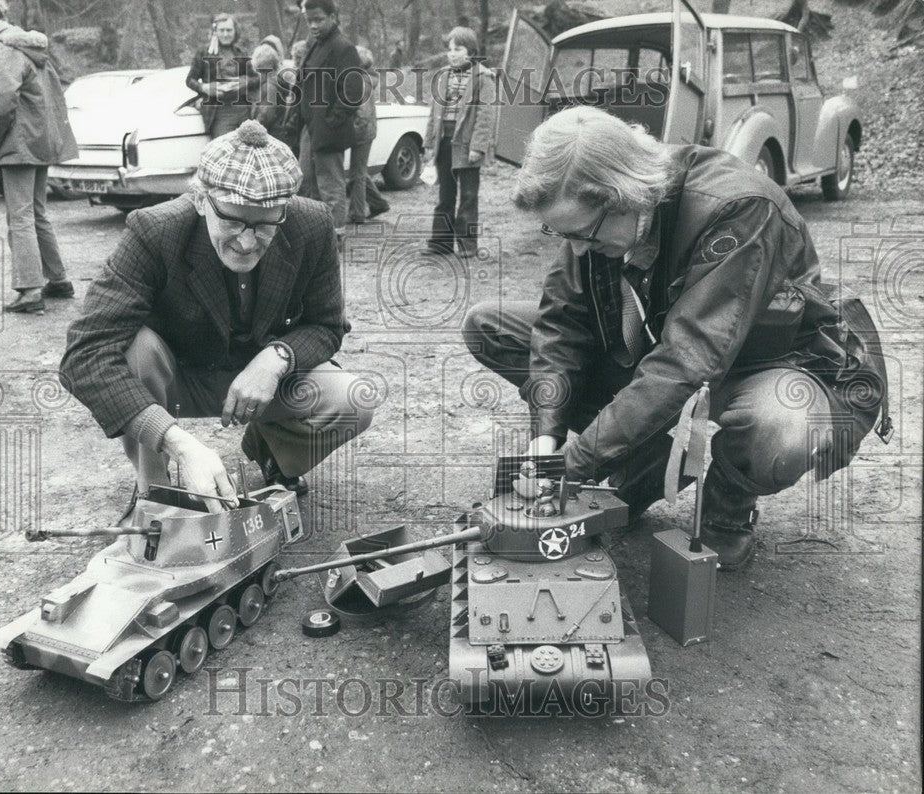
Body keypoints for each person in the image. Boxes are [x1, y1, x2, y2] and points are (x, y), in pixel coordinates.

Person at [462, 106, 890, 570]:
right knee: (490, 327)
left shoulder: (738, 209)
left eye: (584, 235)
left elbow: (687, 361)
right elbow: (560, 325)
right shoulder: (597, 213)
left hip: (766, 363)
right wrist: (547, 438)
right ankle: (645, 455)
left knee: (780, 426)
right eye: (561, 233)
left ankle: (727, 511)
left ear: (625, 197)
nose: (578, 249)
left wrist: (575, 463)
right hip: (666, 346)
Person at [60, 120, 373, 515]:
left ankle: (272, 450)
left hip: (262, 383)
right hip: (178, 378)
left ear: (285, 208)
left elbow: (327, 325)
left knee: (352, 400)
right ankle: (155, 495)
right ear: (199, 199)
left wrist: (277, 358)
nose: (247, 241)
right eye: (232, 221)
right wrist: (178, 442)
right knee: (135, 349)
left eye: (266, 225)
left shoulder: (311, 223)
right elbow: (84, 354)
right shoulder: (154, 230)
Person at [0, 0, 78, 315]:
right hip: (40, 139)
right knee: (37, 213)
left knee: (19, 216)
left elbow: (2, 102)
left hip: (19, 143)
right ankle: (59, 280)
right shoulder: (28, 44)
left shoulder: (1, 49)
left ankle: (30, 291)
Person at [421, 26, 495, 259]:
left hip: (467, 144)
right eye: (450, 49)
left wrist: (478, 147)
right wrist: (429, 142)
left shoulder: (483, 77)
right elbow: (434, 112)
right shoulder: (443, 75)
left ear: (471, 51)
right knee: (445, 195)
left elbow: (485, 116)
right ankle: (440, 243)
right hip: (445, 142)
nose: (452, 54)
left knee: (468, 197)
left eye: (458, 49)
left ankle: (467, 245)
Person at [296, 0, 364, 238]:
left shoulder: (343, 48)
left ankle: (335, 238)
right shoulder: (315, 45)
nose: (313, 25)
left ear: (333, 17)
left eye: (318, 19)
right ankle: (317, 238)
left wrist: (331, 121)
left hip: (329, 131)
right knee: (308, 184)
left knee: (331, 188)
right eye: (309, 21)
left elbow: (353, 93)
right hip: (310, 128)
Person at [186, 13, 258, 139]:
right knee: (224, 148)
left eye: (229, 30)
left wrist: (244, 82)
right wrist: (205, 88)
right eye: (222, 30)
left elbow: (256, 78)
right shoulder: (204, 53)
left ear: (235, 31)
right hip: (218, 113)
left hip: (243, 110)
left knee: (247, 148)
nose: (225, 34)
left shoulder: (240, 53)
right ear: (215, 32)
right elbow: (190, 80)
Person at [347, 46, 389, 224]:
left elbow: (362, 113)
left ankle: (357, 213)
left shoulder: (361, 82)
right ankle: (378, 203)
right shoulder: (366, 78)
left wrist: (352, 132)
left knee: (357, 174)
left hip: (361, 130)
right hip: (367, 130)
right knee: (359, 171)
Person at [249, 35, 297, 154]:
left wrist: (254, 127)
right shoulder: (280, 81)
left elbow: (266, 114)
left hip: (269, 135)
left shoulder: (269, 86)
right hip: (280, 132)